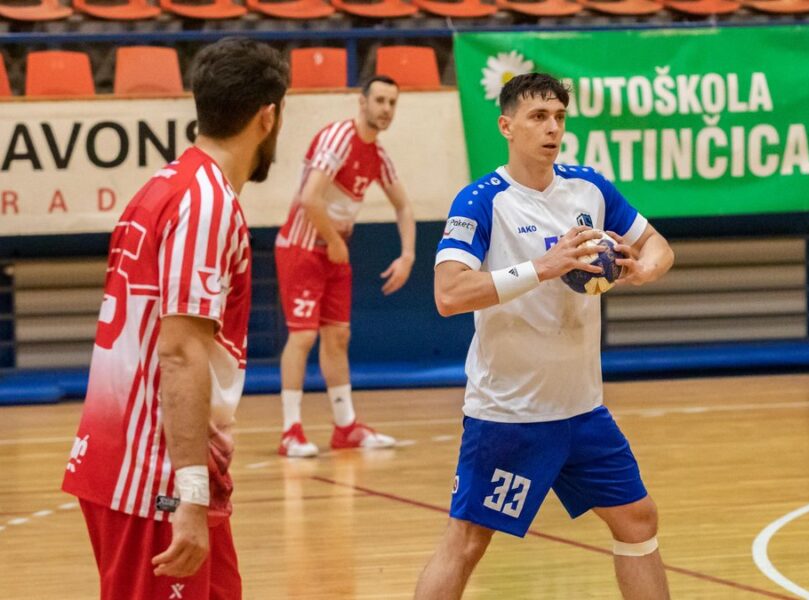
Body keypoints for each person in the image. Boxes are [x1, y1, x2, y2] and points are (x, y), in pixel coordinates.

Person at [414, 73, 675, 600]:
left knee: (637, 519)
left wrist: (643, 269)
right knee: (467, 541)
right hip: (510, 415)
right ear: (506, 126)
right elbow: (449, 294)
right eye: (538, 117)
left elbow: (657, 245)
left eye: (559, 117)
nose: (552, 127)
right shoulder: (481, 200)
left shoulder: (589, 187)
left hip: (582, 410)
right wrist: (543, 267)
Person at [61, 38, 288, 600]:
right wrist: (188, 492)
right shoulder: (205, 203)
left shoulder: (165, 186)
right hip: (154, 477)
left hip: (144, 462)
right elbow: (180, 351)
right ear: (268, 117)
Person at [273, 75, 415, 457]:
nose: (386, 109)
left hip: (334, 253)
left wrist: (407, 256)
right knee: (303, 337)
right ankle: (290, 431)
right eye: (380, 100)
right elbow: (310, 198)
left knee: (337, 337)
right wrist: (334, 241)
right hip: (302, 247)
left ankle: (345, 426)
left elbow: (403, 205)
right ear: (362, 102)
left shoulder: (377, 155)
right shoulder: (338, 138)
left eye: (392, 103)